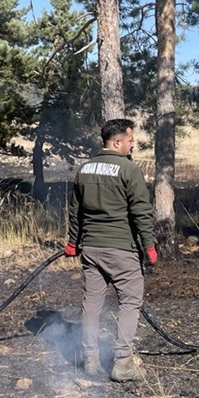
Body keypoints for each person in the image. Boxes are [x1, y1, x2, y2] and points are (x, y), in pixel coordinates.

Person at [64, 118, 157, 381]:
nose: (132, 143)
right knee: (129, 302)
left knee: (92, 303)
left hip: (91, 249)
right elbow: (141, 211)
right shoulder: (128, 169)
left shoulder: (85, 169)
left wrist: (73, 241)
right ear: (116, 142)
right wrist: (149, 245)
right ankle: (123, 364)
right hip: (121, 250)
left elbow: (75, 211)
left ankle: (90, 359)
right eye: (129, 139)